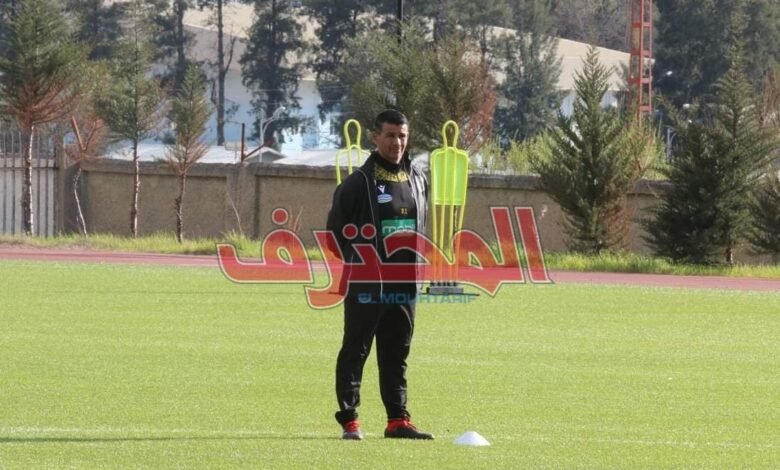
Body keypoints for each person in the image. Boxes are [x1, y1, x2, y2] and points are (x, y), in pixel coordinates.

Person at [326, 110, 433, 441]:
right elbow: (334, 235)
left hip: (405, 284)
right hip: (368, 284)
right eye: (390, 135)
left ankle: (397, 420)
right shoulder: (358, 183)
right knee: (356, 350)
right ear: (376, 138)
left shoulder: (418, 178)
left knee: (397, 353)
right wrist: (361, 265)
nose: (397, 142)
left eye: (402, 136)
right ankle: (350, 420)